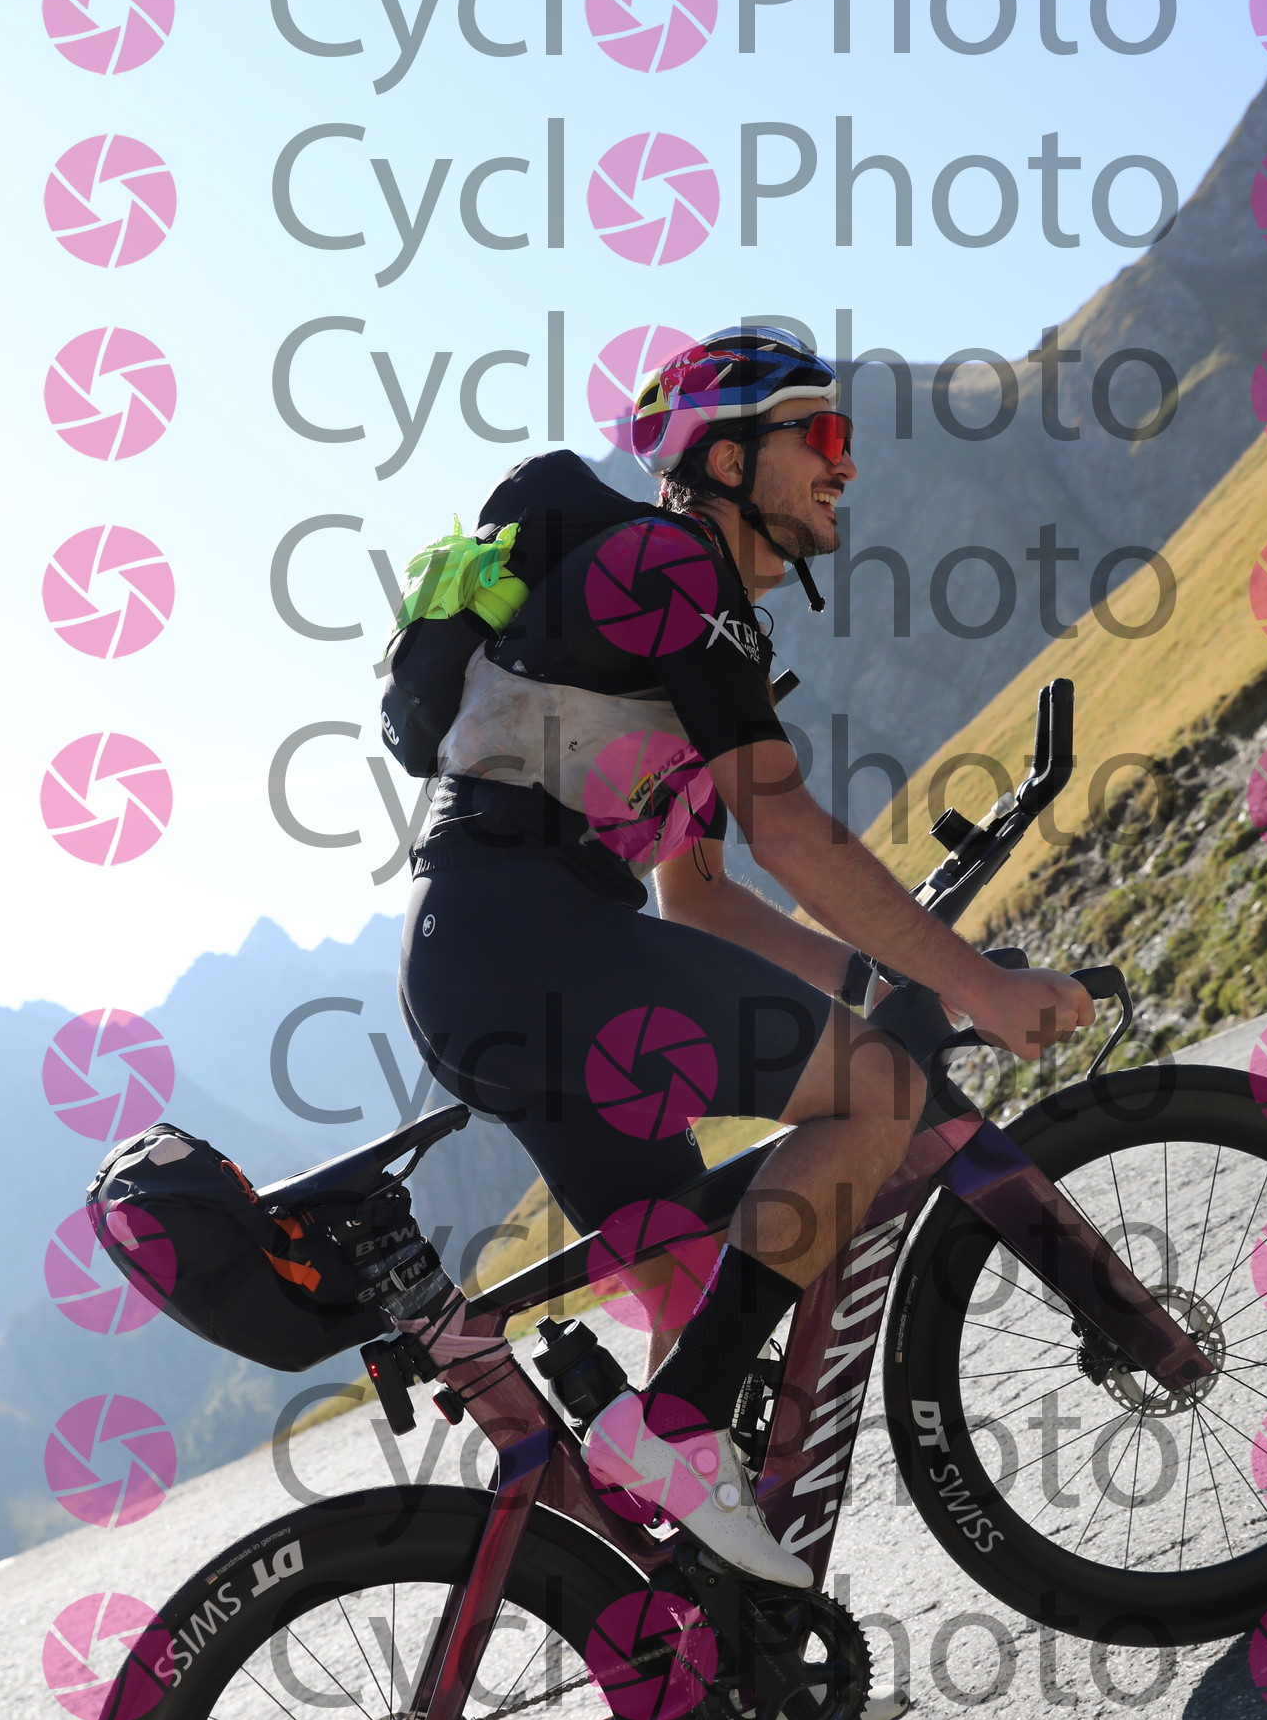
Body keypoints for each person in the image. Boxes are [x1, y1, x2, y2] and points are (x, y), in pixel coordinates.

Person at [399, 328, 1093, 1588]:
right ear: (725, 460)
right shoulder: (667, 565)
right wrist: (975, 986)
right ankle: (671, 1432)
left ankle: (700, 1624)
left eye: (846, 439)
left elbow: (706, 898)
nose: (845, 465)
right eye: (818, 436)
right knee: (875, 1095)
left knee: (692, 1292)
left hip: (492, 967)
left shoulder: (695, 620)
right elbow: (788, 829)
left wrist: (886, 980)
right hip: (529, 941)